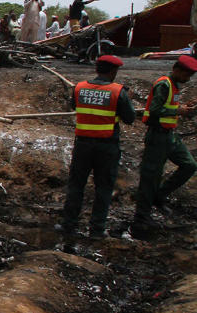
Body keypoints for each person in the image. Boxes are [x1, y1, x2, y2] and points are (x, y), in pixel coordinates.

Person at [54, 56, 136, 239]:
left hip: (82, 144)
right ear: (113, 71)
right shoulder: (118, 92)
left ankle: (68, 225)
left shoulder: (79, 87)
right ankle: (97, 229)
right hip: (106, 146)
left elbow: (74, 106)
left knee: (76, 185)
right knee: (104, 187)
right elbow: (130, 118)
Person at [132, 55, 197, 234]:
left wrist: (184, 106)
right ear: (177, 70)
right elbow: (154, 110)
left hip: (169, 135)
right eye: (186, 75)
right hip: (157, 136)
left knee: (189, 165)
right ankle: (141, 216)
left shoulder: (173, 86)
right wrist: (179, 110)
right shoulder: (164, 84)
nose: (187, 79)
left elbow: (167, 107)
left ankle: (159, 196)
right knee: (151, 176)